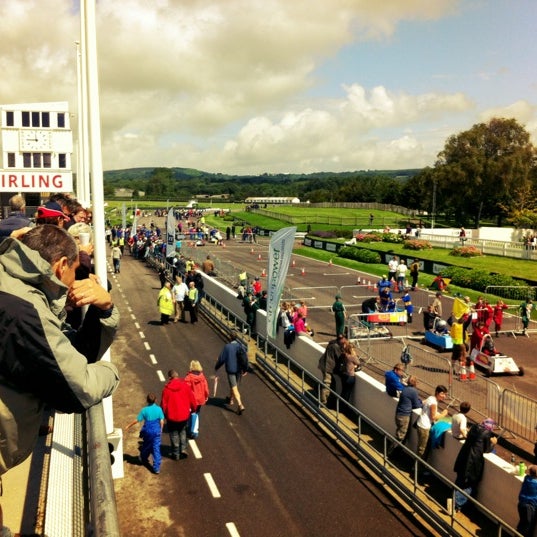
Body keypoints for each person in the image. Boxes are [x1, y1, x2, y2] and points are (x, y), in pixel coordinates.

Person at [0, 225, 120, 519]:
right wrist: (112, 371)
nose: (74, 280)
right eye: (75, 271)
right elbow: (77, 389)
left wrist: (103, 310)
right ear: (61, 265)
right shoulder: (25, 310)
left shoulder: (13, 284)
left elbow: (65, 351)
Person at [453, 418, 497, 512]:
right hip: (472, 462)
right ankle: (457, 504)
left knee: (460, 480)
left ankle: (455, 500)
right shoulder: (487, 433)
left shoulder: (474, 427)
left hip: (463, 457)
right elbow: (486, 449)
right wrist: (493, 444)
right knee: (469, 484)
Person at [161, 369, 197, 460]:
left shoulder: (166, 389)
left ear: (169, 377)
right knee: (183, 431)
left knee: (174, 434)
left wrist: (164, 415)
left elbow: (163, 404)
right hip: (184, 415)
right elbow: (192, 399)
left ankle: (175, 453)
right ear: (177, 376)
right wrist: (193, 409)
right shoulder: (185, 386)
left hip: (171, 417)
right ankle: (183, 448)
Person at [125, 393, 165, 474]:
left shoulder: (144, 410)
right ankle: (156, 468)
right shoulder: (159, 409)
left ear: (147, 400)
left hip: (148, 431)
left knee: (147, 445)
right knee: (156, 449)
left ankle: (143, 458)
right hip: (156, 431)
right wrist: (161, 429)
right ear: (155, 400)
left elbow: (137, 420)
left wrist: (128, 426)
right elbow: (161, 421)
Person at [215, 331, 248, 415]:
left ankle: (240, 404)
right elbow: (245, 358)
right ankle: (230, 399)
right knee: (234, 385)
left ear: (230, 337)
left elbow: (221, 359)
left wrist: (216, 367)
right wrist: (245, 369)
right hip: (238, 370)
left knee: (234, 387)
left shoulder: (227, 347)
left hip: (231, 370)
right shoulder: (240, 346)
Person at [389, 376, 422, 455]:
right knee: (400, 436)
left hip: (399, 413)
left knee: (400, 434)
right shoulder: (413, 391)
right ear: (415, 383)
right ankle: (390, 453)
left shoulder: (405, 389)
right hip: (404, 416)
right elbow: (417, 405)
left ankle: (396, 452)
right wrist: (422, 403)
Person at [416, 385, 448, 460]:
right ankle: (416, 468)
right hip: (424, 427)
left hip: (420, 423)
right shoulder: (434, 403)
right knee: (422, 449)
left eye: (445, 394)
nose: (444, 396)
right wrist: (443, 414)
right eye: (442, 394)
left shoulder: (430, 398)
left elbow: (425, 406)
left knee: (421, 447)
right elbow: (433, 417)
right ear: (437, 393)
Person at [317, 334, 346, 405]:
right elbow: (340, 357)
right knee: (327, 383)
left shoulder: (332, 343)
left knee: (326, 382)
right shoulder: (336, 346)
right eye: (345, 339)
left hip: (324, 364)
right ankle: (323, 401)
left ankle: (324, 398)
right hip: (327, 366)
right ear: (342, 339)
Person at [517, 465, 537, 537]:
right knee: (525, 527)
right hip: (529, 507)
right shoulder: (535, 483)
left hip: (521, 504)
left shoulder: (526, 478)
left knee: (522, 524)